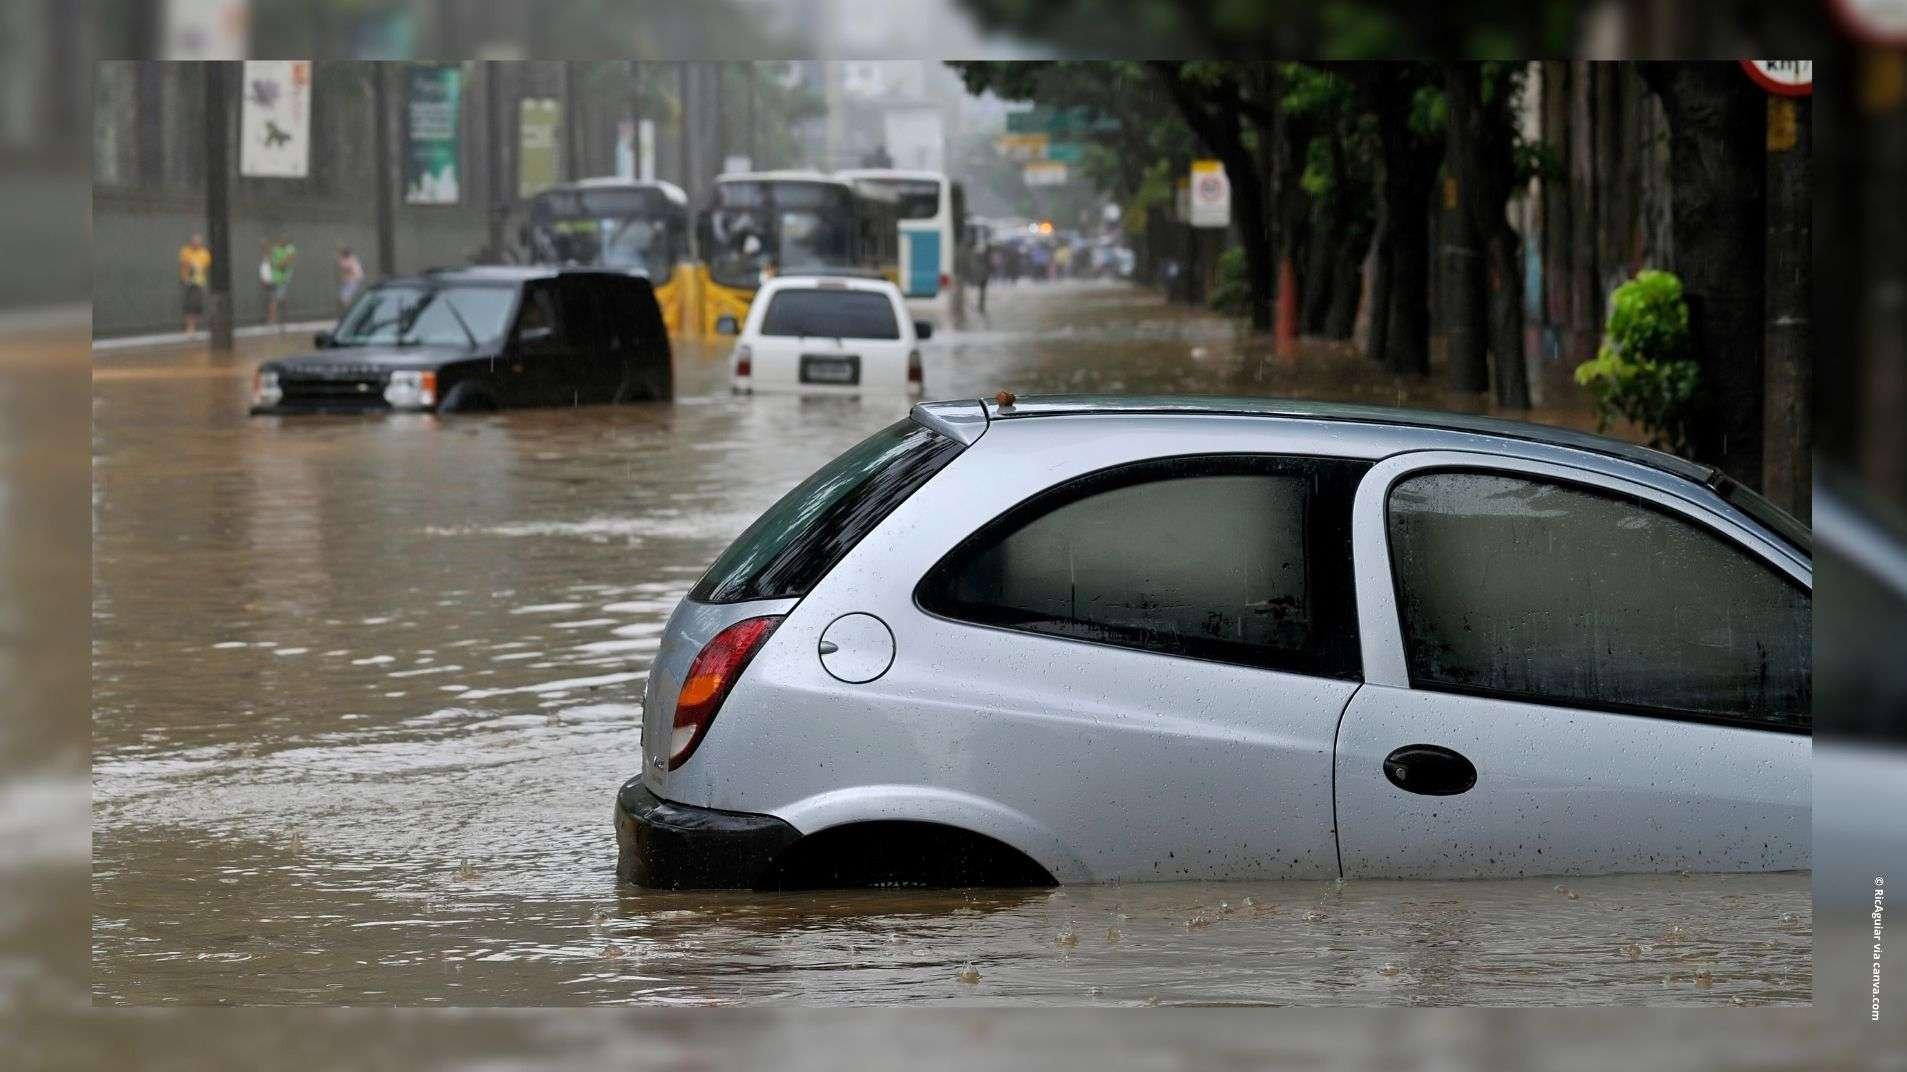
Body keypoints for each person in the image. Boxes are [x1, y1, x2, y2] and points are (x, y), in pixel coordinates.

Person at [178, 233, 210, 334]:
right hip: (188, 283)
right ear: (191, 241)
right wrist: (192, 264)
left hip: (199, 283)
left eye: (198, 241)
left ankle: (194, 328)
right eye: (194, 241)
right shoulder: (185, 251)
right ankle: (189, 328)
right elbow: (184, 262)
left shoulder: (205, 253)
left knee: (197, 306)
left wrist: (196, 266)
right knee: (189, 306)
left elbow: (202, 267)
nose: (196, 243)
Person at [264, 234, 297, 326]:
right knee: (275, 300)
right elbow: (282, 265)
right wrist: (279, 264)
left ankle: (275, 318)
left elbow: (283, 262)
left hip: (280, 278)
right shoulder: (278, 250)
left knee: (278, 299)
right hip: (279, 279)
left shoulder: (282, 250)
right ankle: (272, 319)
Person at [335, 245, 364, 310]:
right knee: (343, 297)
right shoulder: (349, 259)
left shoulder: (351, 260)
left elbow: (347, 268)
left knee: (344, 298)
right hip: (350, 281)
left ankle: (349, 311)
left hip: (353, 280)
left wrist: (340, 259)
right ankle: (348, 310)